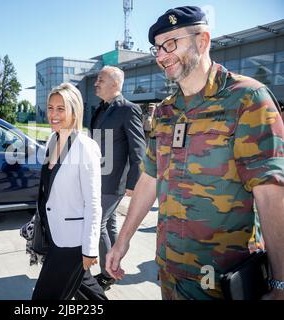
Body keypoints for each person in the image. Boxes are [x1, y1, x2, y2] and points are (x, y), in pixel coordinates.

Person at [106, 6, 284, 300]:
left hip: (222, 280)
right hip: (169, 271)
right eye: (157, 49)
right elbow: (150, 178)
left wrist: (280, 283)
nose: (161, 56)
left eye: (170, 44)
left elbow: (272, 195)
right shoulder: (165, 111)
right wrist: (122, 241)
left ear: (202, 41)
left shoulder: (248, 99)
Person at [31, 83, 106, 300]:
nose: (53, 114)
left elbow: (93, 203)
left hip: (73, 242)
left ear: (75, 111)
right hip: (54, 233)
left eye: (61, 109)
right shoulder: (52, 140)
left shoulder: (85, 147)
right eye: (51, 108)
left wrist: (90, 249)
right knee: (86, 289)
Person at [89, 66, 146, 290]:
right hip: (98, 177)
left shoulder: (128, 110)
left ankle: (106, 274)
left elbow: (138, 149)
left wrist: (134, 183)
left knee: (98, 223)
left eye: (100, 79)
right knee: (110, 223)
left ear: (114, 83)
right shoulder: (99, 109)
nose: (96, 83)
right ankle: (112, 267)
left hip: (114, 180)